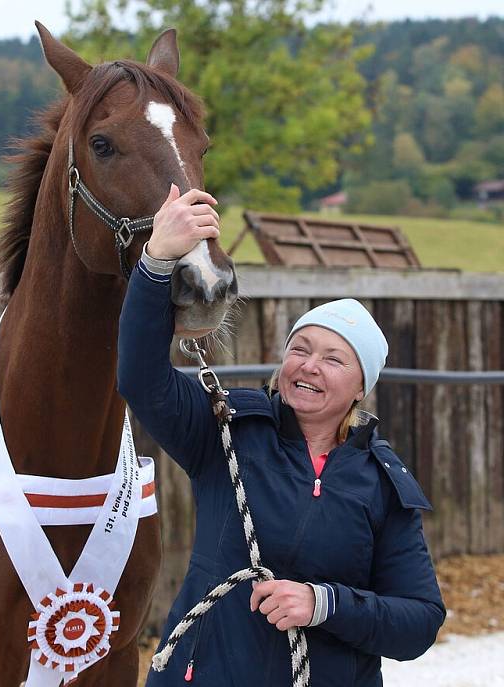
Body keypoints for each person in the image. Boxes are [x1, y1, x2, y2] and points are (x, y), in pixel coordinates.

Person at [118, 185, 445, 686]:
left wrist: (324, 604)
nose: (309, 366)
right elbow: (140, 378)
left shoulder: (380, 485)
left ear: (361, 387)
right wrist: (156, 263)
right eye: (301, 348)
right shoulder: (226, 431)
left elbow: (419, 621)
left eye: (334, 359)